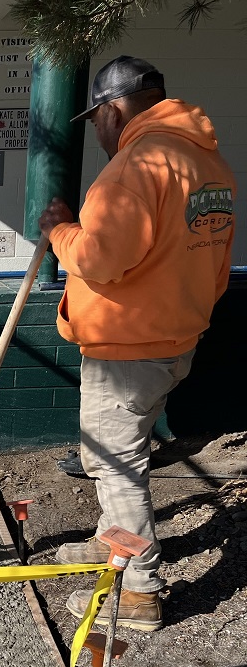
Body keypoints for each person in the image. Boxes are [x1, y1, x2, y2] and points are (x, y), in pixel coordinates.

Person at [38, 55, 236, 632]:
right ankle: (112, 543)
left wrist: (59, 231)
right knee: (126, 454)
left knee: (114, 465)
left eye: (96, 118)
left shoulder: (135, 166)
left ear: (112, 108)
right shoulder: (207, 163)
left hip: (128, 350)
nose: (98, 131)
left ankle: (139, 588)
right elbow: (217, 265)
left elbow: (99, 258)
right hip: (175, 341)